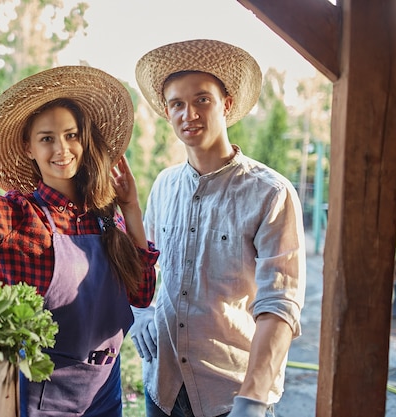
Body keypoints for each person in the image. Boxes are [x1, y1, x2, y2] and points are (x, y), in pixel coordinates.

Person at [0, 66, 159, 417]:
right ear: (28, 147)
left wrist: (131, 209)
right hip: (43, 395)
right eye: (46, 138)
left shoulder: (103, 215)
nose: (62, 149)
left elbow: (142, 295)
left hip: (104, 392)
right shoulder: (16, 217)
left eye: (71, 135)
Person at [129, 39, 306, 417]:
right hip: (162, 387)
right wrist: (139, 309)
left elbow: (280, 303)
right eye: (177, 103)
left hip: (231, 393)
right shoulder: (164, 185)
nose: (188, 113)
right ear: (166, 111)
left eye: (202, 100)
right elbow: (143, 260)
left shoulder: (271, 193)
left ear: (226, 104)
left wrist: (254, 398)